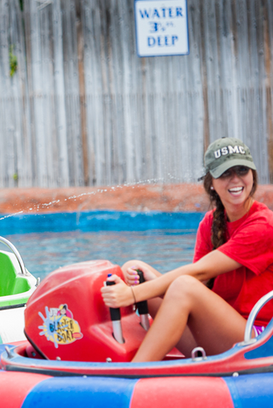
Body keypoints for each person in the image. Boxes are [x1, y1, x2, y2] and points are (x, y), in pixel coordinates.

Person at [101, 137, 273, 362]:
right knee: (136, 269)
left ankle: (132, 374)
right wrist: (143, 284)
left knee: (182, 285)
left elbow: (196, 275)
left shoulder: (264, 225)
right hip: (219, 333)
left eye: (242, 170)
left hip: (259, 340)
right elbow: (200, 288)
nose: (235, 179)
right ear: (211, 182)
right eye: (225, 173)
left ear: (252, 175)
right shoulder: (210, 223)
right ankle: (128, 358)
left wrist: (131, 295)